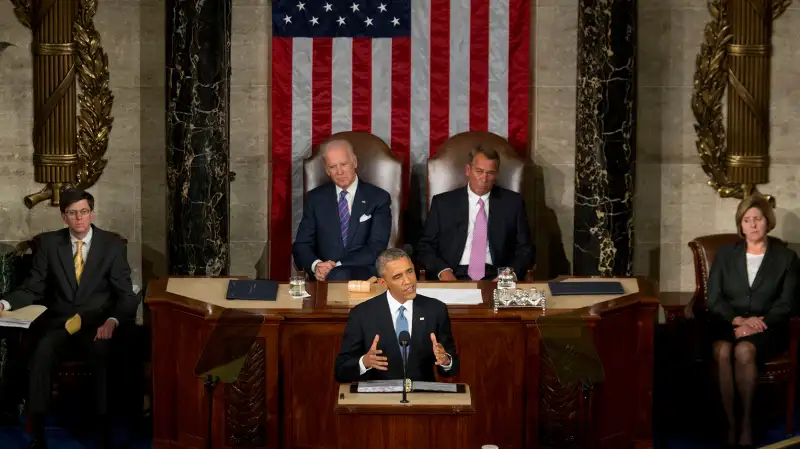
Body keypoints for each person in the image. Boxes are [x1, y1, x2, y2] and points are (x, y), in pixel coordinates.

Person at [0, 189, 139, 449]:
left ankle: (102, 429)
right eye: (73, 213)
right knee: (41, 352)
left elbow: (126, 295)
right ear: (64, 216)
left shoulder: (110, 245)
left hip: (97, 325)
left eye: (84, 212)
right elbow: (33, 288)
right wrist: (4, 302)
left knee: (103, 352)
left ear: (92, 213)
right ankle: (38, 432)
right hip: (61, 325)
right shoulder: (50, 244)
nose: (79, 218)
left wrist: (113, 321)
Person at [706, 194, 797, 448]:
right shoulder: (725, 255)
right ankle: (729, 424)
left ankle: (746, 424)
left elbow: (787, 303)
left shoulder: (786, 258)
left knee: (745, 350)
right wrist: (737, 320)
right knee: (722, 350)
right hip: (727, 323)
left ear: (768, 222)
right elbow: (713, 298)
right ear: (740, 224)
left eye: (758, 219)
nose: (753, 225)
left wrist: (760, 322)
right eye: (747, 220)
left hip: (767, 327)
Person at [334, 248, 459, 383]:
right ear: (383, 282)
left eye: (410, 271)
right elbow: (341, 371)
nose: (408, 281)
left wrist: (446, 360)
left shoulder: (435, 310)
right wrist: (364, 362)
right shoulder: (362, 314)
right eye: (397, 277)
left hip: (422, 397)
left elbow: (452, 368)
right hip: (379, 398)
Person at [417, 145, 534, 281]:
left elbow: (525, 249)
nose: (484, 179)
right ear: (468, 170)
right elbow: (425, 246)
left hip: (496, 276)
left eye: (490, 173)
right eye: (479, 171)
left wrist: (510, 274)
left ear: (496, 174)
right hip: (453, 273)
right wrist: (442, 271)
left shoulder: (513, 203)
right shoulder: (443, 203)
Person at [292, 139, 392, 281]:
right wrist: (317, 266)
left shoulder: (378, 198)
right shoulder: (315, 199)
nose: (339, 172)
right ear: (327, 170)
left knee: (340, 275)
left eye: (344, 164)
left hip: (364, 275)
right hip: (323, 279)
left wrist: (337, 266)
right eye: (333, 167)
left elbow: (376, 247)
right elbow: (301, 245)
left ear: (354, 162)